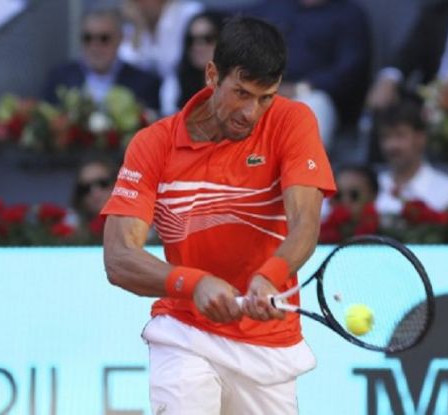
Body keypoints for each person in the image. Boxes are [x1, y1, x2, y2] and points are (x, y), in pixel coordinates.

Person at [101, 16, 336, 414]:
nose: (252, 112)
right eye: (241, 93)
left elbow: (305, 223)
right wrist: (192, 284)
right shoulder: (153, 145)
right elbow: (119, 257)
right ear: (212, 74)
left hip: (268, 347)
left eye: (266, 97)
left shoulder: (292, 121)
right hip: (185, 334)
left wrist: (270, 276)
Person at [239, 0, 373, 148]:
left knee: (313, 106)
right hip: (265, 89)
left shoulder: (348, 14)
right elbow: (233, 24)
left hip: (313, 94)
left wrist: (301, 88)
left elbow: (350, 69)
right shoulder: (275, 6)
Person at [43, 8, 161, 112]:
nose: (95, 46)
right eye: (88, 38)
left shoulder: (145, 85)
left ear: (120, 39)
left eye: (104, 38)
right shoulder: (59, 79)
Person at [374, 100, 448, 215]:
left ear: (420, 138)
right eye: (385, 137)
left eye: (400, 135)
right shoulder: (373, 187)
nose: (391, 145)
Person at [118, 0, 204, 115]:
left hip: (191, 93)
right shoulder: (136, 23)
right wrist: (139, 28)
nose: (137, 5)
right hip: (155, 101)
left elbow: (171, 60)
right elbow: (126, 62)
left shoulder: (187, 13)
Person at [174, 10, 226, 111]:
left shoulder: (238, 88)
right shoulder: (182, 86)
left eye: (208, 38)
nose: (198, 46)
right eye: (191, 40)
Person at [67, 156, 117, 239]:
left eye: (103, 183)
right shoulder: (72, 228)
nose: (95, 193)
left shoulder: (139, 226)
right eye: (86, 188)